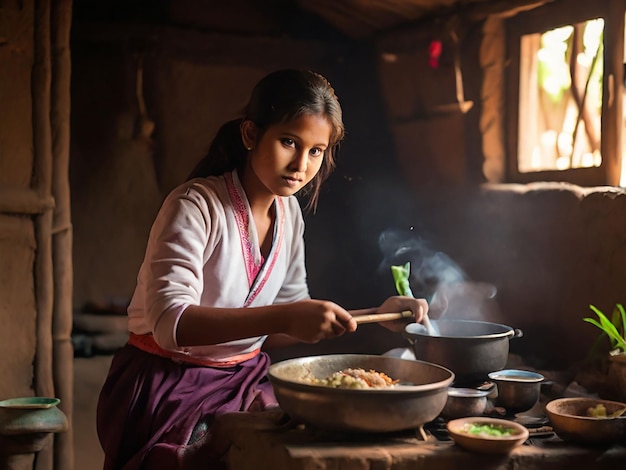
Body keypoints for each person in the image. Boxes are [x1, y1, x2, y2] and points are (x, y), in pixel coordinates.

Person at [96, 69, 429, 469]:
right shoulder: (195, 206)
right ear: (251, 134)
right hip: (169, 383)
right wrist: (289, 315)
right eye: (289, 142)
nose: (301, 165)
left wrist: (375, 315)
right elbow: (171, 325)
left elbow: (286, 326)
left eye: (316, 151)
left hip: (242, 379)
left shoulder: (289, 215)